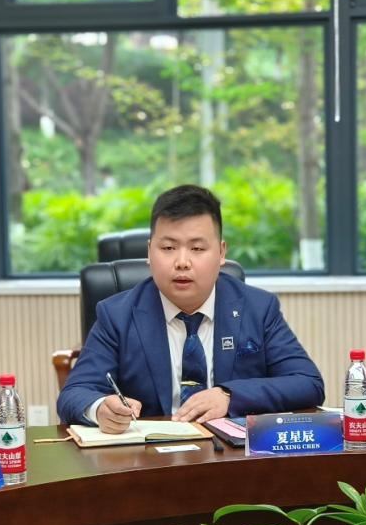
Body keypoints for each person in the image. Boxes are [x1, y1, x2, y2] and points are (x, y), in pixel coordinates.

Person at [57, 184, 325, 432]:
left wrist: (229, 396)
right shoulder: (117, 315)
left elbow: (307, 382)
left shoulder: (258, 308)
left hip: (230, 456)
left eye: (197, 248)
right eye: (168, 247)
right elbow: (74, 393)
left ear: (221, 253)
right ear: (149, 252)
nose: (182, 262)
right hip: (149, 458)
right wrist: (100, 408)